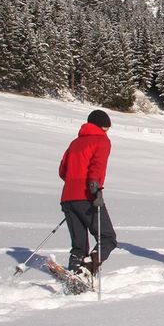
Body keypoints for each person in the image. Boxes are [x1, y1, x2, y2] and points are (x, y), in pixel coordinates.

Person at [58, 109, 117, 281]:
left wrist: (73, 183)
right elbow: (97, 166)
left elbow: (63, 170)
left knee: (79, 245)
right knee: (108, 238)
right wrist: (95, 188)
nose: (107, 131)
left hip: (68, 197)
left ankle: (74, 274)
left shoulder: (75, 143)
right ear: (100, 126)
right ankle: (86, 270)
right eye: (106, 127)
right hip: (88, 195)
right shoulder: (102, 141)